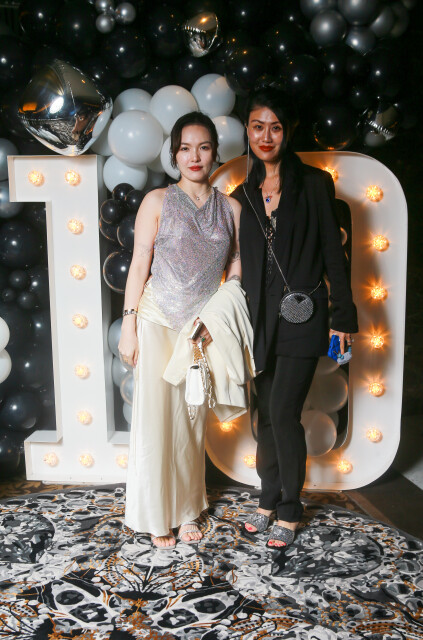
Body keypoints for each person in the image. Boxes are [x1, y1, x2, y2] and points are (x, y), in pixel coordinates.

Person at [232, 87, 358, 549]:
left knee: (284, 412)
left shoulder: (315, 184)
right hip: (258, 322)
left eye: (276, 127)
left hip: (304, 317)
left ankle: (289, 508)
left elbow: (333, 255)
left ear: (288, 132)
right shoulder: (241, 193)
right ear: (248, 131)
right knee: (265, 415)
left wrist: (343, 316)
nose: (266, 136)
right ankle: (267, 499)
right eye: (258, 126)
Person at [118, 112, 242, 549]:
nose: (195, 156)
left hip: (200, 329)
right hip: (155, 320)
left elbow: (237, 268)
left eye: (203, 147)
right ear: (174, 155)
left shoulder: (232, 209)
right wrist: (129, 325)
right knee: (154, 420)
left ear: (215, 153)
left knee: (191, 421)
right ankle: (156, 514)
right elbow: (139, 265)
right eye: (185, 148)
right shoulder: (156, 201)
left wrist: (218, 316)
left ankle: (189, 508)